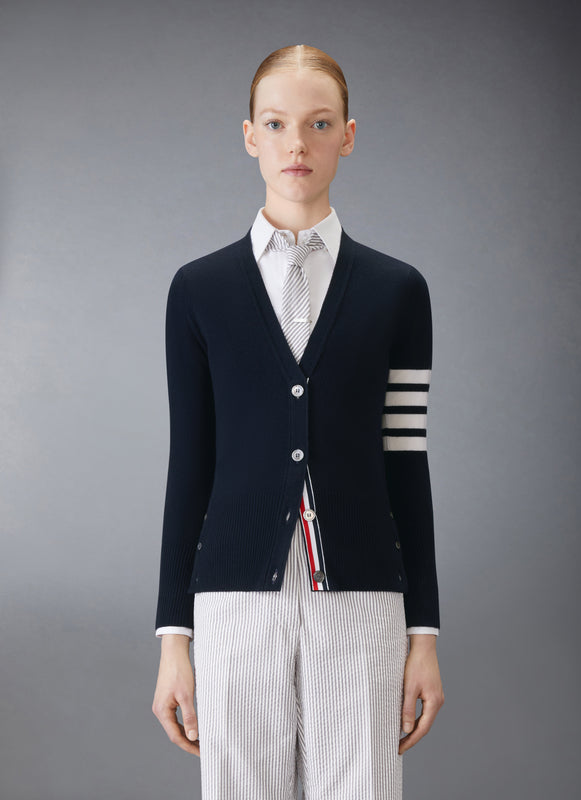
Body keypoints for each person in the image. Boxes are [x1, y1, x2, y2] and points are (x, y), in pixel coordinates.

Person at [152, 44, 444, 799]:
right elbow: (191, 464)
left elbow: (406, 459)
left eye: (319, 123)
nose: (297, 144)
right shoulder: (199, 291)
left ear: (348, 135)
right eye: (276, 124)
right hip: (233, 602)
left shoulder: (398, 291)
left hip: (364, 599)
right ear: (250, 135)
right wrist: (174, 639)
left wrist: (424, 634)